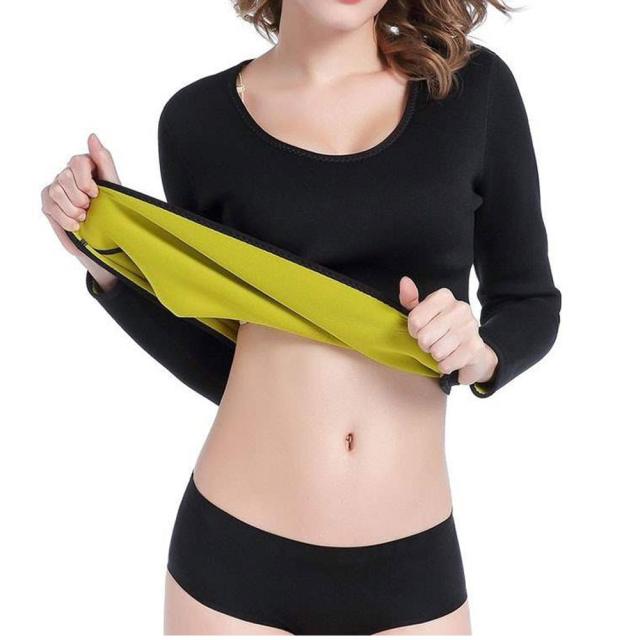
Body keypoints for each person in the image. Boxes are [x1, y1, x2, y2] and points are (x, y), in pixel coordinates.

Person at [40, 0, 561, 635]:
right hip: (234, 550)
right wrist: (107, 260)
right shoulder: (196, 122)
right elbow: (223, 361)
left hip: (411, 559)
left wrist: (480, 355)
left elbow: (530, 300)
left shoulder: (469, 89)